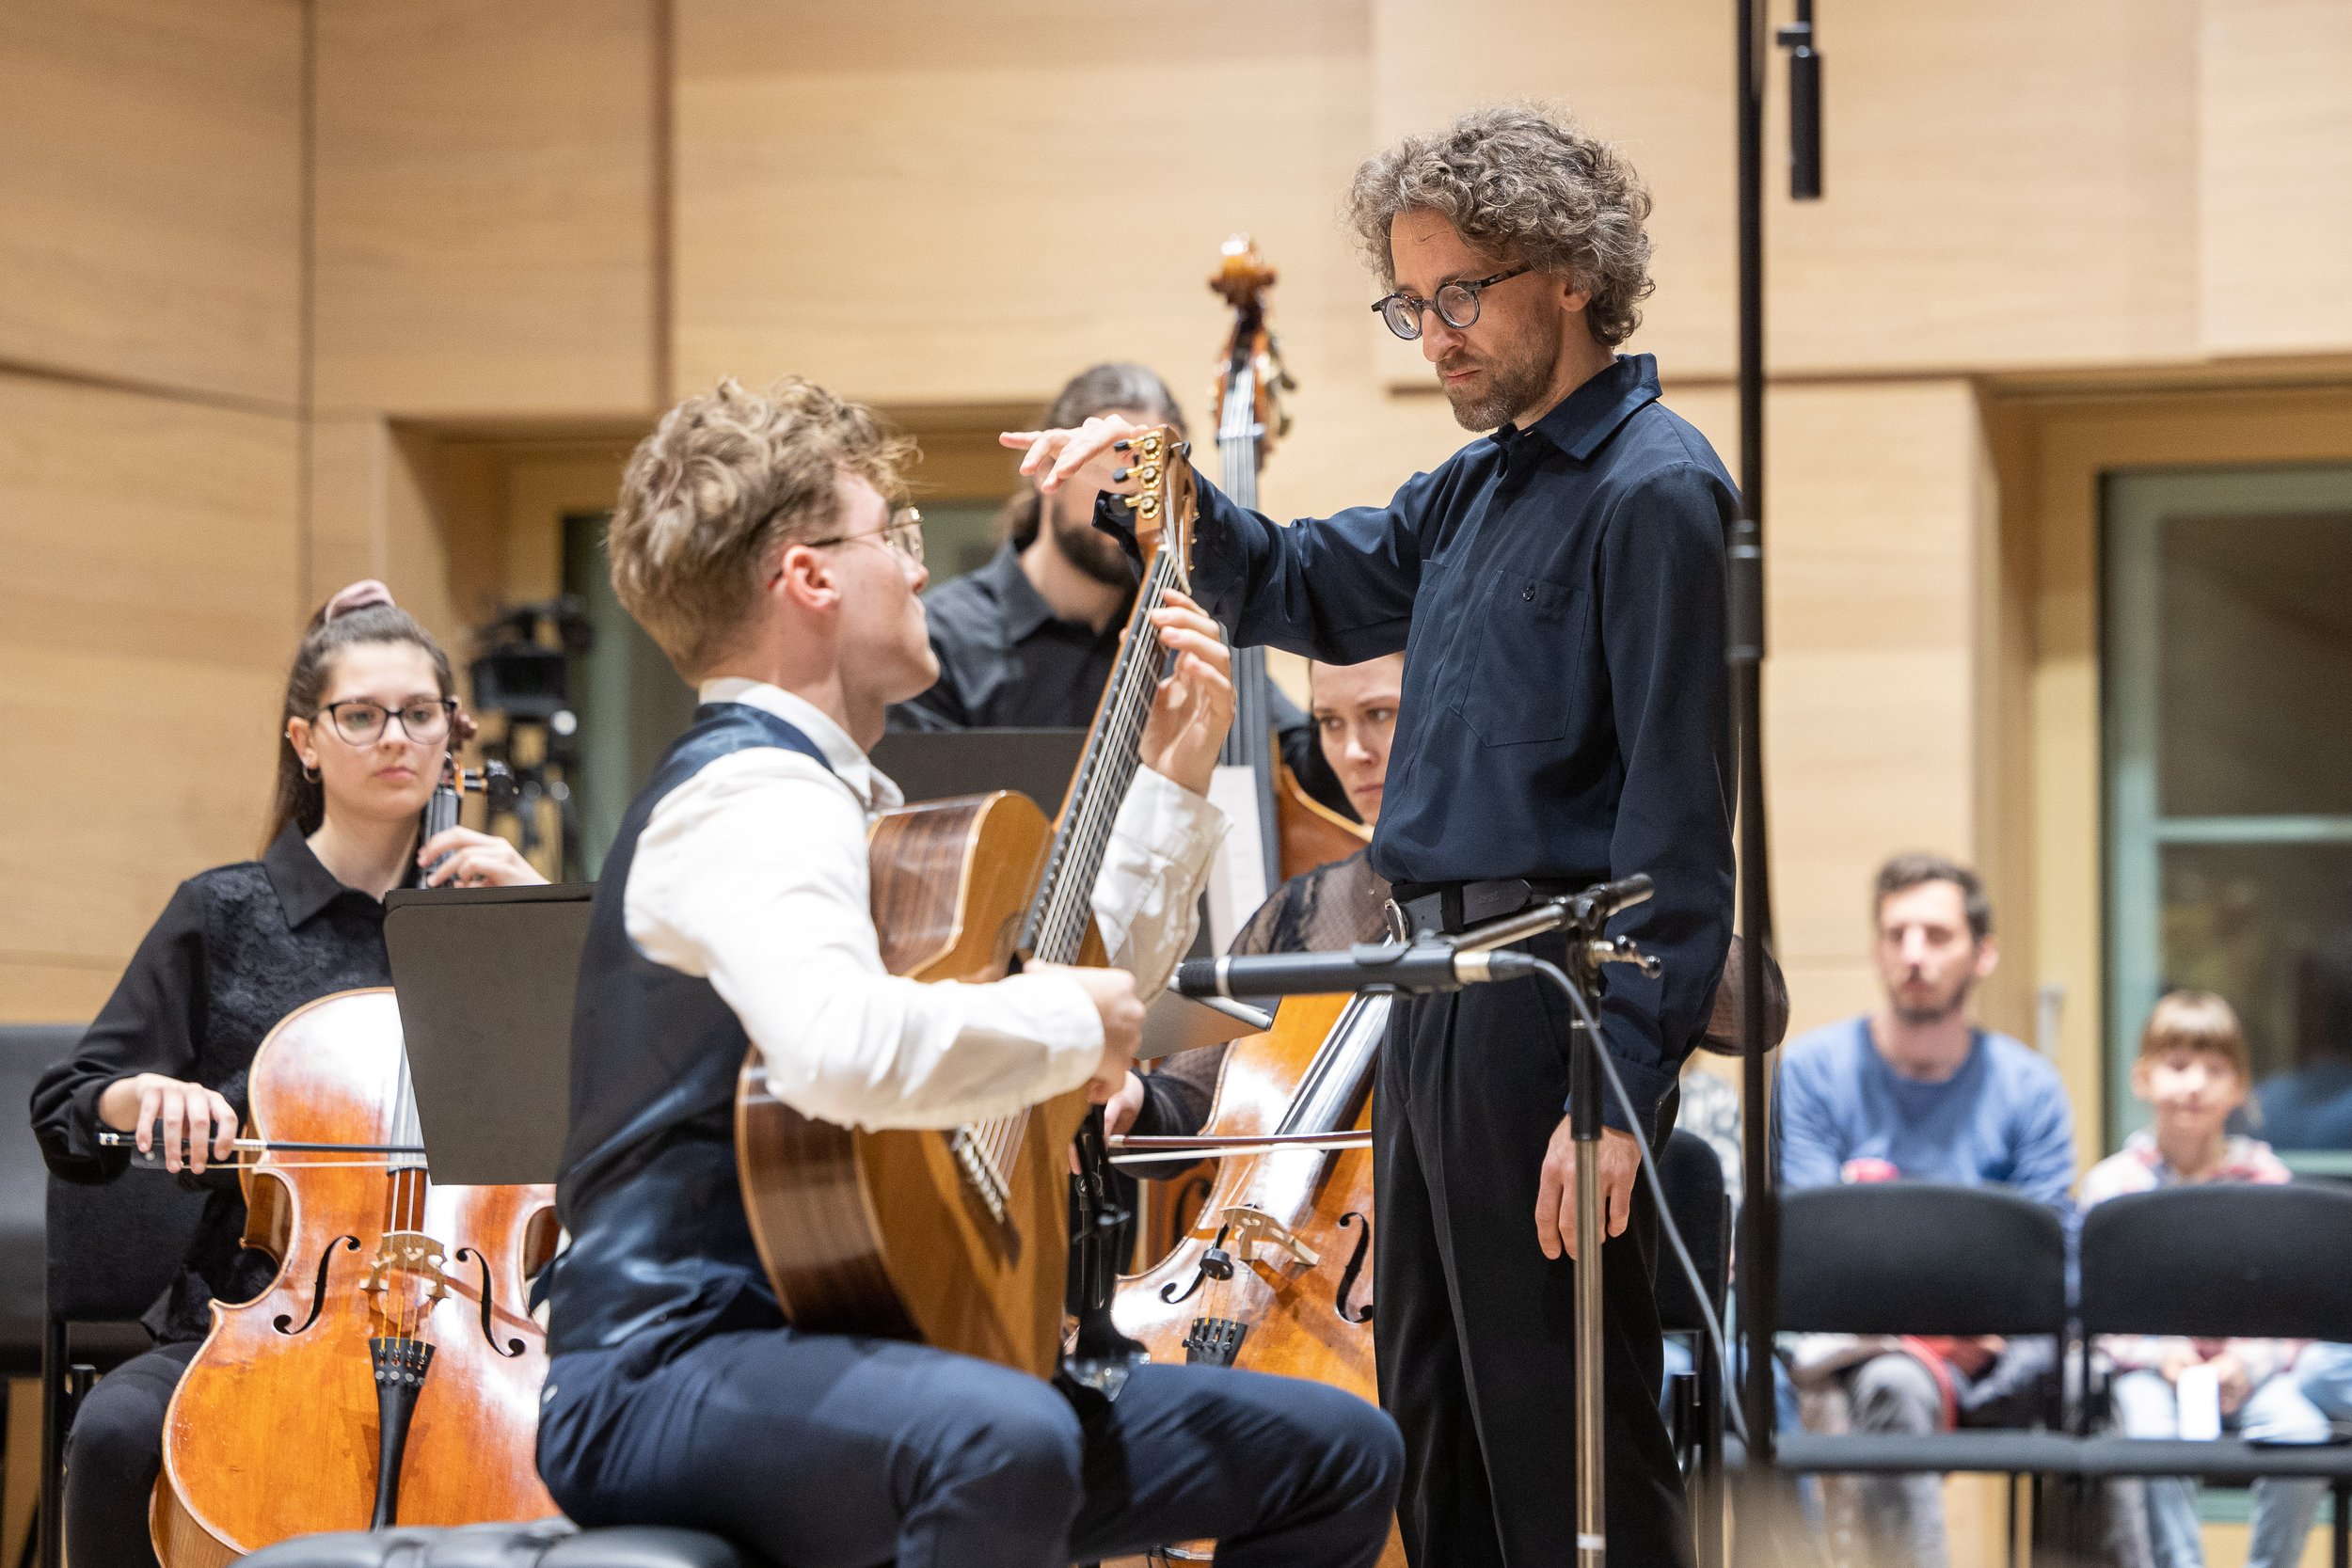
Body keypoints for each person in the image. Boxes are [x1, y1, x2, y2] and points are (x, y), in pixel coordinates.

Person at [1012, 103, 1737, 1566]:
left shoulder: (1658, 488)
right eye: (1411, 302)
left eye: (1459, 294)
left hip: (1551, 1004)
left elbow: (1677, 837)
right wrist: (1152, 480)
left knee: (1565, 1440)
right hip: (1431, 987)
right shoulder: (1474, 486)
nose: (1434, 335)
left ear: (1573, 273)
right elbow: (1290, 578)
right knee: (1434, 1419)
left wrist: (1613, 1093)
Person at [533, 377, 1402, 1568]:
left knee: (1335, 1448)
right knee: (1005, 1438)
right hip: (670, 1361)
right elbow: (846, 1048)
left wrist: (1170, 779)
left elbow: (1087, 983)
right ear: (809, 578)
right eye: (890, 534)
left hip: (857, 1341)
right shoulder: (750, 793)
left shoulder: (862, 811)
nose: (923, 565)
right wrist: (1065, 1013)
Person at [27, 580, 543, 1568]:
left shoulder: (501, 913)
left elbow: (608, 1115)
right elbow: (70, 1107)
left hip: (479, 1324)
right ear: (307, 739)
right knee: (115, 1433)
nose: (394, 736)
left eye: (419, 713)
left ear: (452, 733)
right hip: (265, 1312)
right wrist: (141, 1096)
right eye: (360, 714)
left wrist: (545, 942)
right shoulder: (221, 912)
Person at [1777, 853, 2075, 1568]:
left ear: (1983, 953)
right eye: (1896, 933)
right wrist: (1936, 1333)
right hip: (1872, 1350)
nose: (1913, 953)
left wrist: (1986, 1326)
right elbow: (1817, 1250)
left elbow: (2051, 1253)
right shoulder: (1812, 1072)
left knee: (2103, 1390)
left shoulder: (2030, 1086)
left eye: (1936, 935)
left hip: (2006, 1344)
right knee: (1890, 1383)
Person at [890, 361, 1343, 812]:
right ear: (1052, 465)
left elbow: (1312, 777)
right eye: (1116, 469)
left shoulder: (1187, 630)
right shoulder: (942, 639)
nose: (1137, 501)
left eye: (1155, 478)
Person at [1109, 652, 1403, 1164]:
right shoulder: (1304, 910)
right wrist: (1136, 1100)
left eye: (1380, 714)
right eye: (1330, 723)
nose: (1354, 751)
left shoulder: (1522, 899)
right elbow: (1193, 1102)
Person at [2083, 991, 2328, 1568]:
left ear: (2240, 1087)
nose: (2194, 1084)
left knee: (2304, 1434)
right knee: (2148, 1437)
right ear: (2142, 1078)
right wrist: (2162, 1357)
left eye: (2215, 1070)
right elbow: (2093, 1308)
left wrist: (2246, 1364)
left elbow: (2296, 1303)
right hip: (2149, 1373)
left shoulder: (2269, 1181)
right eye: (2177, 1066)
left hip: (2250, 1376)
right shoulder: (2112, 1187)